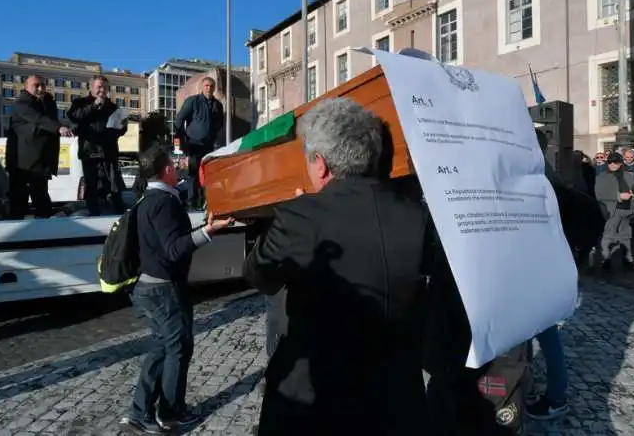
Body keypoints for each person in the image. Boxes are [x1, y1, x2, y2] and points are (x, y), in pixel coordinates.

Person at [244, 98, 431, 436]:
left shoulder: (298, 216)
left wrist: (300, 213)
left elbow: (259, 275)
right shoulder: (417, 215)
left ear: (321, 165)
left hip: (315, 404)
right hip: (397, 398)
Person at [120, 145, 233, 434]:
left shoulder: (149, 200)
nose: (178, 165)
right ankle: (170, 414)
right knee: (178, 349)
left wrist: (201, 225)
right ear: (167, 169)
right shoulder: (163, 202)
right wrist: (209, 232)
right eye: (174, 162)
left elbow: (167, 238)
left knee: (160, 348)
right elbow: (173, 249)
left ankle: (139, 412)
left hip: (148, 286)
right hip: (163, 290)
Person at [5, 75, 73, 219]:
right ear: (26, 86)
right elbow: (39, 120)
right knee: (19, 200)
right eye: (37, 85)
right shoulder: (21, 104)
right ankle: (14, 230)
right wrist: (59, 128)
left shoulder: (47, 102)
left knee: (41, 197)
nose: (41, 88)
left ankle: (42, 229)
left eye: (43, 85)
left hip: (40, 161)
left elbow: (47, 121)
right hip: (22, 163)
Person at [67, 75, 127, 216]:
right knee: (91, 184)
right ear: (91, 87)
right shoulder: (80, 103)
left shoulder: (113, 107)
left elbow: (119, 130)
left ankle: (120, 212)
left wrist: (122, 127)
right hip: (90, 151)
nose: (102, 90)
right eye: (99, 87)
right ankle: (94, 213)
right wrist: (94, 106)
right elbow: (74, 116)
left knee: (114, 183)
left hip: (109, 151)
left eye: (105, 87)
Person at [174, 77, 224, 209]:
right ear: (202, 87)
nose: (209, 88)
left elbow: (220, 123)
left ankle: (205, 202)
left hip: (209, 146)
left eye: (212, 86)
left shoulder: (217, 105)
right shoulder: (193, 101)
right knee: (192, 175)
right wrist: (181, 140)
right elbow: (179, 119)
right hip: (193, 144)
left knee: (207, 174)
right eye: (207, 86)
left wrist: (212, 134)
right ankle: (191, 204)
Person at [594, 152, 634, 271]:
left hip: (628, 209)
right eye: (610, 162)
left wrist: (633, 194)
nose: (613, 165)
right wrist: (619, 196)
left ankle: (628, 259)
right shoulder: (602, 176)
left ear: (621, 163)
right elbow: (599, 194)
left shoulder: (629, 175)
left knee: (626, 235)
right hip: (612, 209)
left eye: (616, 162)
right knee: (609, 235)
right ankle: (605, 259)